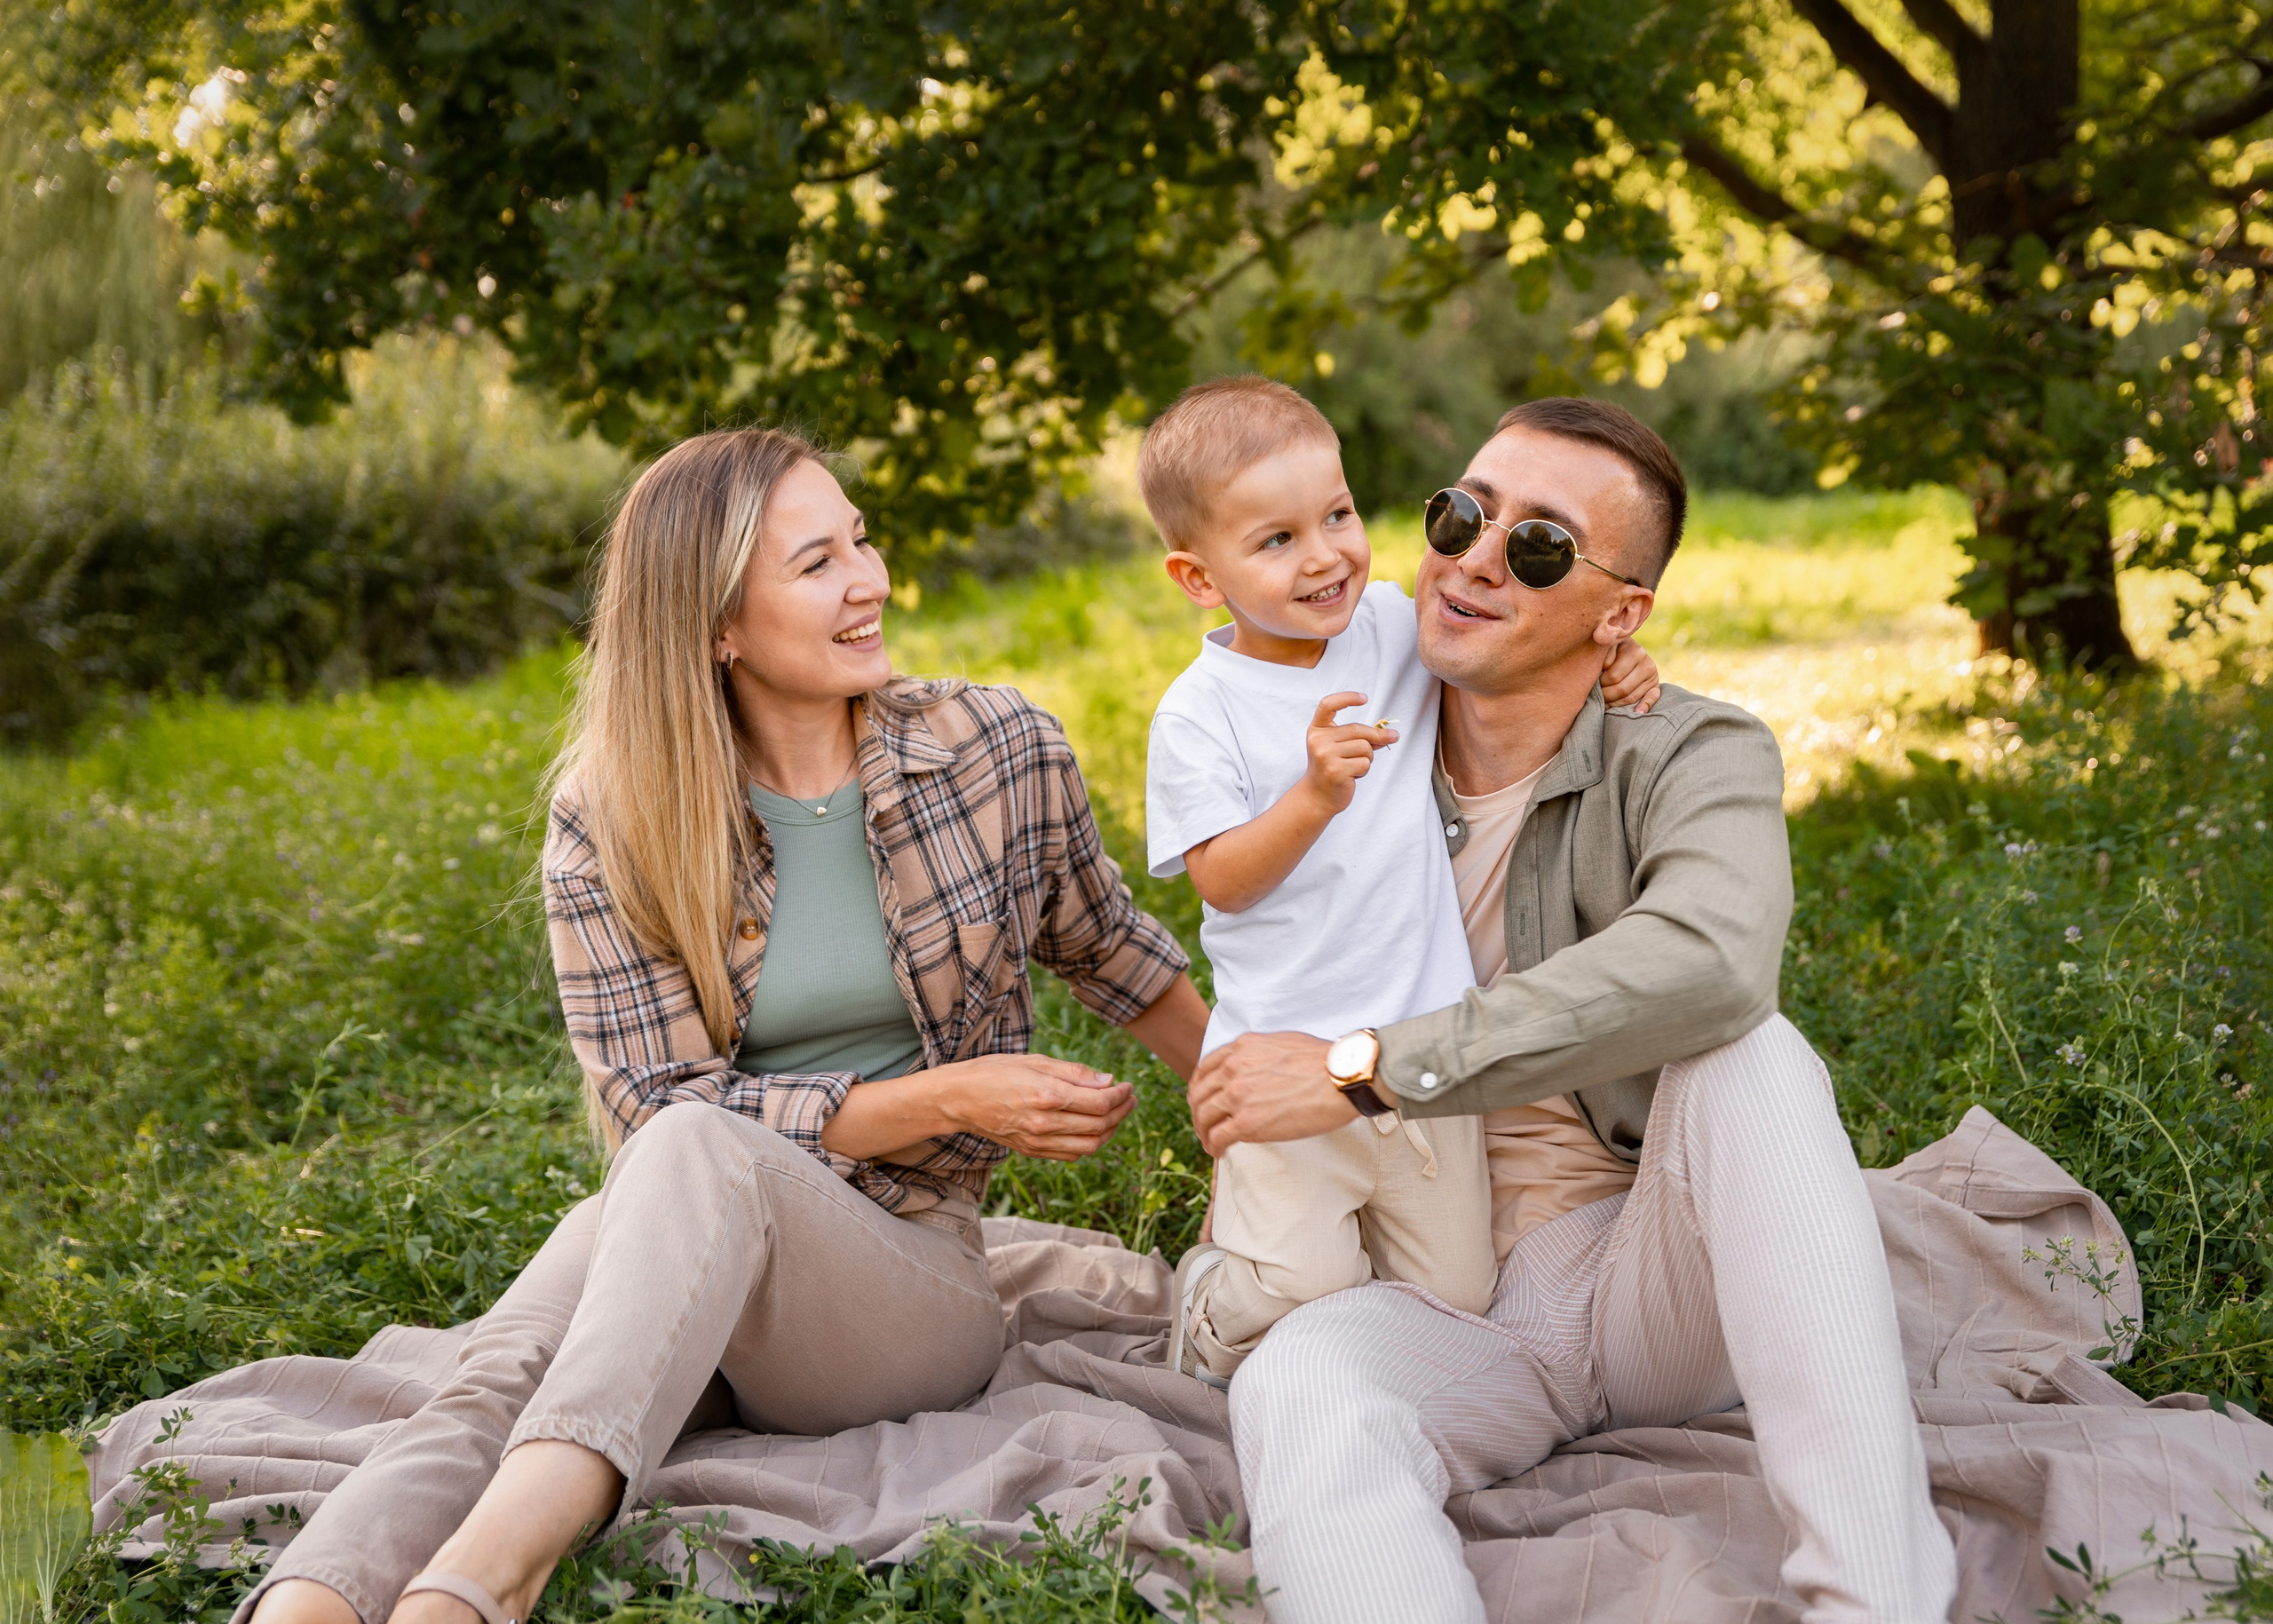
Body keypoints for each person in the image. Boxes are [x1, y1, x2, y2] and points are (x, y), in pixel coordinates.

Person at [245, 426, 1210, 1624]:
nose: (869, 580)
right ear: (719, 626)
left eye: (861, 540)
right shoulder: (614, 815)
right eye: (817, 563)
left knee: (682, 1168)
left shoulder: (994, 751)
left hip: (905, 1278)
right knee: (496, 1374)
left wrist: (1276, 1119)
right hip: (684, 1221)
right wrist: (950, 1096)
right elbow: (657, 1102)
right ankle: (313, 1609)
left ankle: (478, 1588)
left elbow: (1118, 952)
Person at [1188, 399, 1958, 1623]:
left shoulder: (1693, 751)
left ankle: (1876, 1603)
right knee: (1300, 1385)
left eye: (1540, 546)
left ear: (1621, 614)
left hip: (1647, 1267)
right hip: (1444, 1294)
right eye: (1463, 515)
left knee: (1749, 1056)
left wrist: (1361, 1065)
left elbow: (1710, 961)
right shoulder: (1337, 746)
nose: (1478, 558)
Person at [1137, 376, 1658, 1389]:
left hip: (1420, 1051)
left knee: (1455, 1298)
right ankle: (1214, 1296)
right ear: (1199, 578)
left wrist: (1622, 663)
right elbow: (1223, 881)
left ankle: (1352, 1359)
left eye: (1335, 513)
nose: (1326, 552)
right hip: (1285, 1060)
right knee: (1300, 1285)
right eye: (1275, 540)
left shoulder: (1388, 625)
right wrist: (1310, 796)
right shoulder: (1200, 713)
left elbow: (1517, 644)